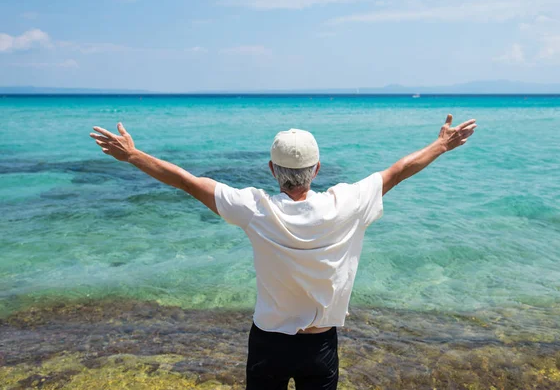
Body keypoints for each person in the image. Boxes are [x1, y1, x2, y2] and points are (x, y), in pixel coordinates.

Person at [90, 114, 476, 390]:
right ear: (318, 168)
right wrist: (442, 144)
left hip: (268, 341)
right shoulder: (347, 204)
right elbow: (399, 170)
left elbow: (187, 182)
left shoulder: (254, 207)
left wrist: (133, 156)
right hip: (320, 343)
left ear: (272, 170)